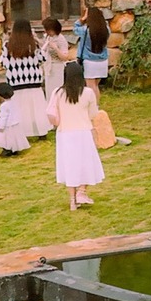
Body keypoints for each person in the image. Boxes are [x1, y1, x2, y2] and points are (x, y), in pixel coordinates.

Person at [51, 60, 103, 210]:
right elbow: (93, 114)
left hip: (64, 134)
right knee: (85, 163)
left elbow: (52, 113)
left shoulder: (57, 93)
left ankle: (72, 200)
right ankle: (82, 191)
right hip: (83, 132)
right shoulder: (88, 93)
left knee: (70, 166)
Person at [0, 19, 52, 138]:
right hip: (33, 81)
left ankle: (20, 132)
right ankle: (41, 132)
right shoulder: (33, 44)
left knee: (19, 109)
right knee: (36, 108)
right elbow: (42, 59)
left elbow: (3, 63)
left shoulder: (7, 45)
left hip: (16, 81)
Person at [0, 80, 29, 157]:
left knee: (5, 138)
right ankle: (14, 149)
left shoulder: (4, 106)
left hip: (7, 125)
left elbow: (4, 117)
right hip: (15, 123)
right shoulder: (14, 102)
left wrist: (1, 126)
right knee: (14, 137)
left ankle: (7, 150)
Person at [76, 7, 113, 84]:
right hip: (103, 60)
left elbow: (75, 28)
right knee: (95, 85)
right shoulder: (106, 30)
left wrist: (83, 18)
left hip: (89, 61)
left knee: (91, 86)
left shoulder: (85, 30)